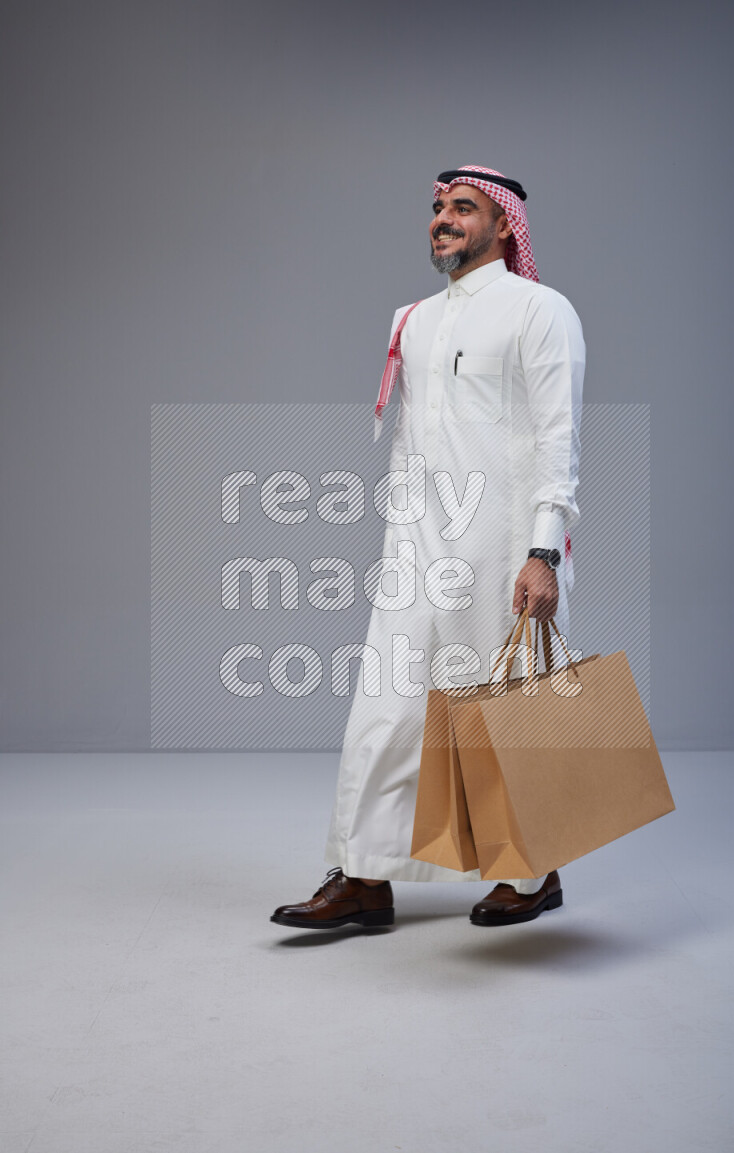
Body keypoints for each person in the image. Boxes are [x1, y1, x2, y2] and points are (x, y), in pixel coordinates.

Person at [271, 165, 585, 930]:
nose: (443, 219)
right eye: (438, 208)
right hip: (418, 547)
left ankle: (531, 869)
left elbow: (558, 440)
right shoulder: (410, 320)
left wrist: (543, 550)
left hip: (507, 543)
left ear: (505, 225)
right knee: (387, 706)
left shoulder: (539, 311)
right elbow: (412, 445)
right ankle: (365, 874)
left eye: (464, 208)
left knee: (509, 708)